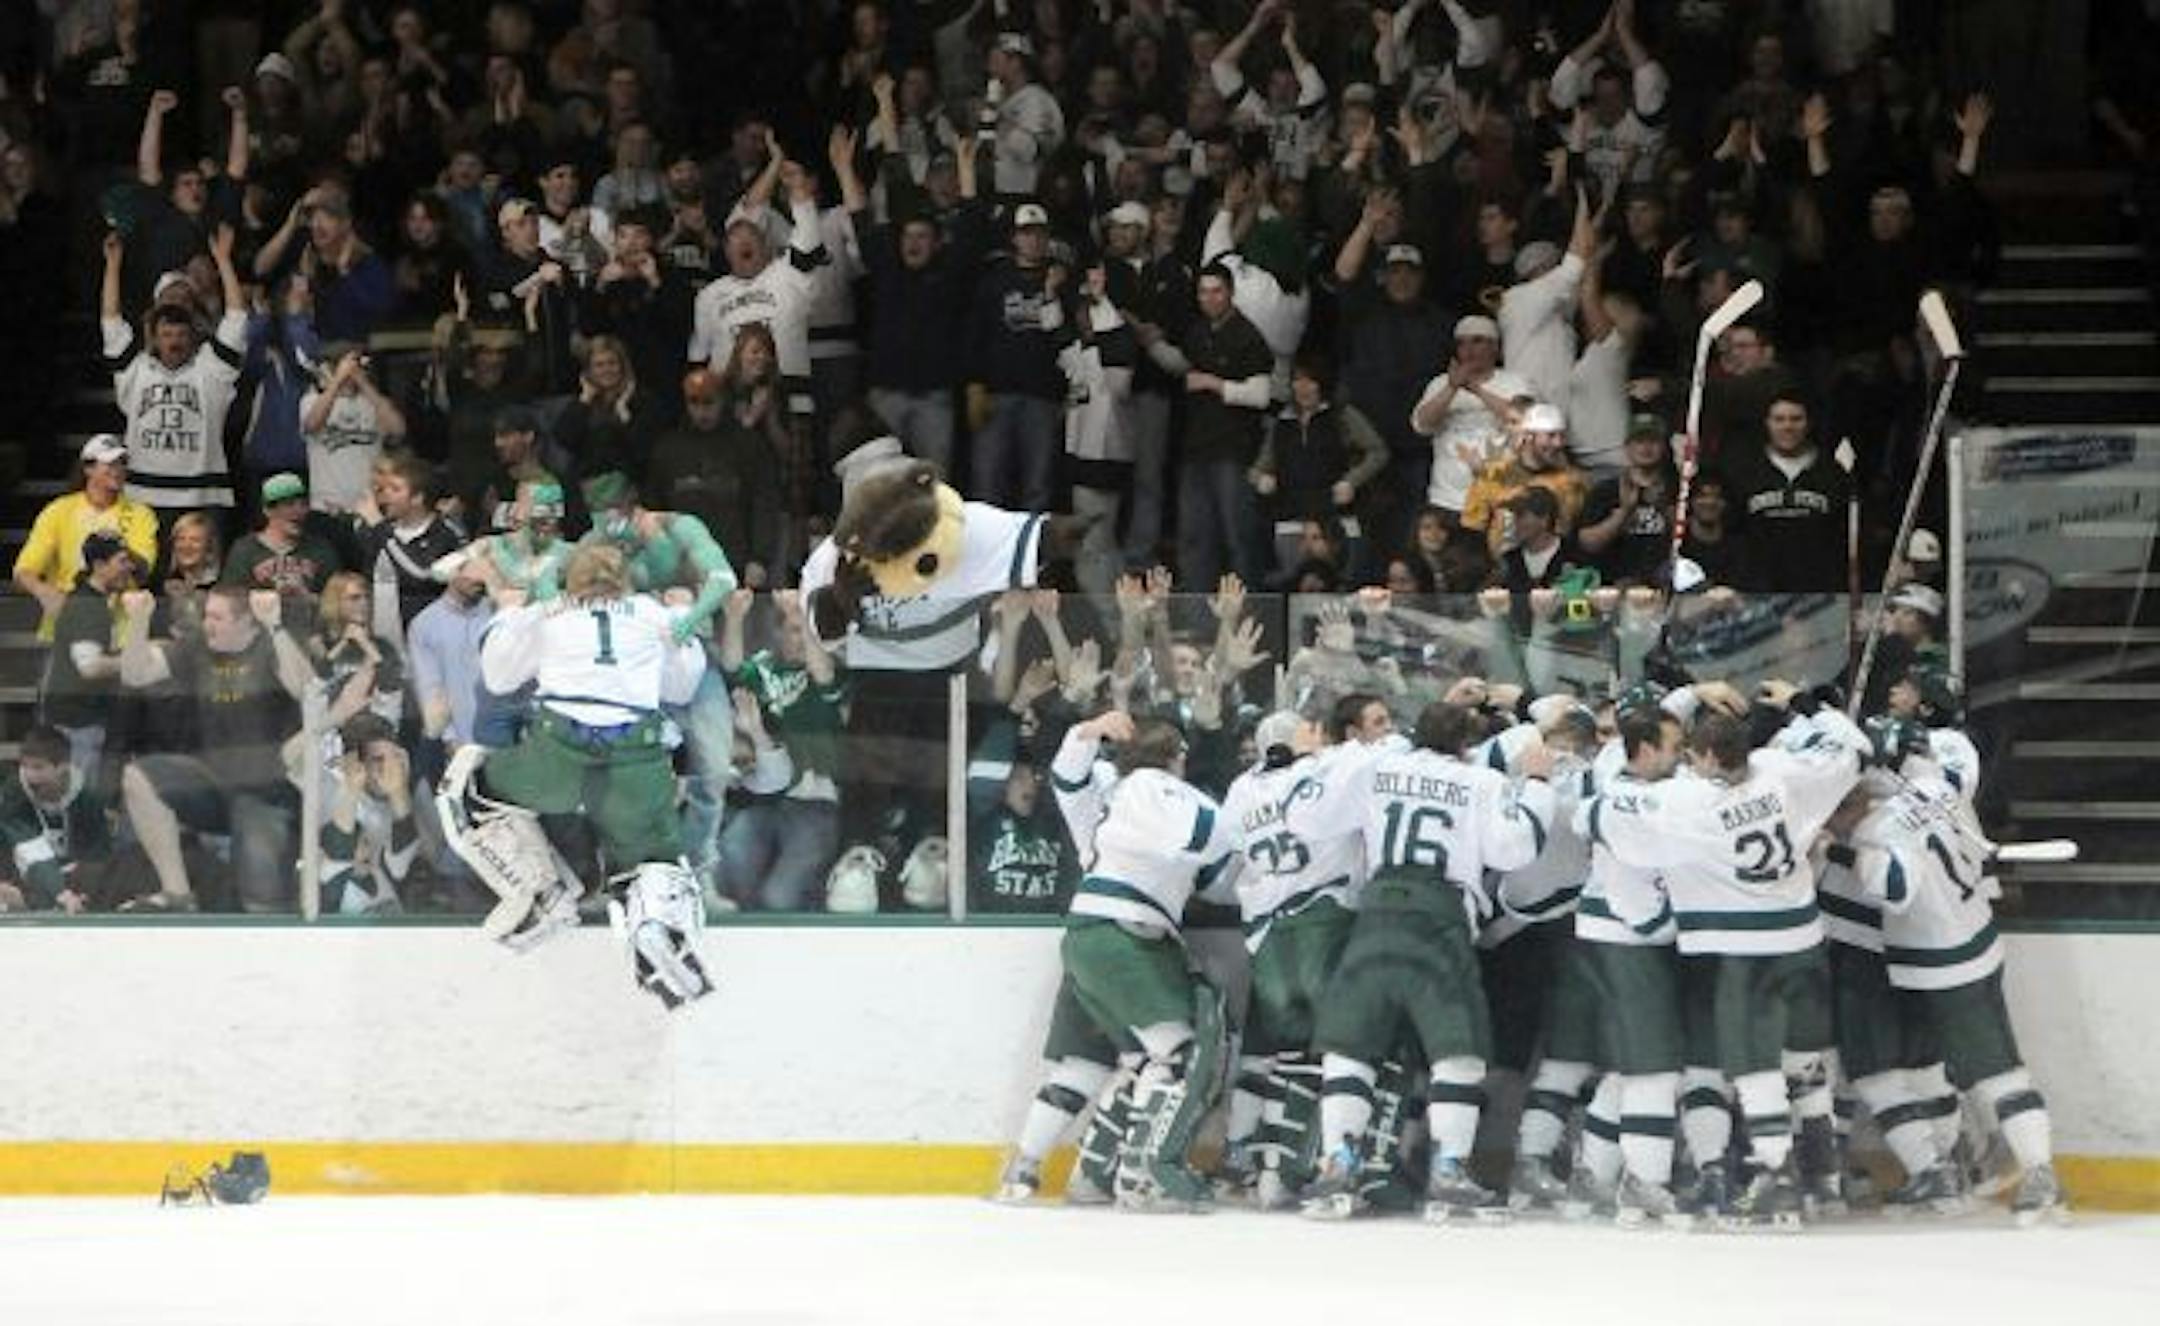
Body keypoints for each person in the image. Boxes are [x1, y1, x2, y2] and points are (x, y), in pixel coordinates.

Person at [1583, 696, 1869, 1226]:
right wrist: (1807, 707)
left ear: (1710, 757)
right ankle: (1822, 1171)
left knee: (1751, 1067)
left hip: (1746, 951)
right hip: (1804, 940)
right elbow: (1853, 750)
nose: (1686, 763)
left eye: (1691, 755)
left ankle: (1778, 1175)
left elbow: (1594, 816)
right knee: (1800, 1061)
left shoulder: (1687, 800)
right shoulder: (1779, 772)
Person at [1304, 701, 1557, 1222]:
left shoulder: (1380, 767)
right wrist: (1537, 785)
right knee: (1457, 1051)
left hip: (1376, 911)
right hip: (1439, 917)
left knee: (1351, 1047)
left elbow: (1315, 819)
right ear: (1465, 744)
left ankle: (1337, 1162)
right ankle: (1449, 1170)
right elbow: (1513, 850)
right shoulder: (1479, 781)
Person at [438, 542, 712, 1008]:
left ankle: (541, 894)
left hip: (557, 755)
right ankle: (655, 921)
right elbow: (683, 687)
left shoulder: (550, 612)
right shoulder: (652, 614)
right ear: (626, 581)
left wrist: (508, 612)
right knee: (650, 858)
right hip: (636, 757)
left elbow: (498, 678)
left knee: (470, 787)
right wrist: (683, 616)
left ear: (570, 581)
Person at [994, 710, 1239, 1212]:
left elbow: (1067, 773)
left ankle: (1028, 1170)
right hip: (1129, 936)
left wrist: (1087, 730)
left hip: (1084, 934)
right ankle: (1143, 1174)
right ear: (1178, 757)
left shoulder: (1105, 787)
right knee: (1177, 1055)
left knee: (1087, 1062)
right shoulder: (1180, 796)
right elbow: (1220, 875)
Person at [1829, 722, 2068, 1224]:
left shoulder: (1880, 828)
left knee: (1995, 1069)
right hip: (1978, 937)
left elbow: (1897, 889)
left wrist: (1839, 848)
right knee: (1941, 1066)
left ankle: (2040, 1173)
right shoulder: (1939, 787)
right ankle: (1957, 1167)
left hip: (1942, 961)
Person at [1218, 707, 1401, 1208]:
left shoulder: (1241, 789)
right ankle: (1333, 1167)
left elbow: (1229, 850)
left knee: (1292, 1056)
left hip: (1267, 939)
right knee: (1346, 1049)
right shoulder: (1324, 769)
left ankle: (1272, 1175)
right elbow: (1380, 758)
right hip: (1323, 921)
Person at [116, 587, 313, 913]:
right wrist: (138, 621)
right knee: (139, 777)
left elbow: (308, 691)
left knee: (262, 904)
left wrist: (275, 625)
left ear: (246, 621)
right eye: (206, 615)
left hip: (270, 792)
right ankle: (178, 894)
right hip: (214, 783)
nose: (207, 624)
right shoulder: (197, 647)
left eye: (217, 617)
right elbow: (135, 675)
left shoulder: (270, 645)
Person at [101, 224, 246, 521]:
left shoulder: (211, 370)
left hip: (202, 497)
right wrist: (113, 266)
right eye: (166, 335)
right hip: (142, 497)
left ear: (192, 336)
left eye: (180, 335)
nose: (174, 342)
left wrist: (223, 262)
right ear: (154, 337)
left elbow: (237, 318)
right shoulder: (135, 369)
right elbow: (111, 319)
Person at [1145, 262, 1275, 589]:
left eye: (1217, 291)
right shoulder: (1197, 331)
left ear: (1230, 293)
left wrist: (1214, 384)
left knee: (1238, 537)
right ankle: (1198, 614)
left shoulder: (1248, 336)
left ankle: (1247, 611)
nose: (1210, 298)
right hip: (1196, 449)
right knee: (1195, 537)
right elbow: (1182, 366)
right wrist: (1151, 344)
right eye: (1203, 292)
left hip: (1233, 450)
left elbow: (1261, 395)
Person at [715, 587, 845, 913]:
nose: (801, 639)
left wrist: (802, 615)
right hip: (765, 799)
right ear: (777, 633)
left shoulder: (825, 666)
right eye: (794, 630)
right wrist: (734, 619)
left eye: (806, 631)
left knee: (780, 898)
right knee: (733, 866)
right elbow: (732, 668)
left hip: (815, 803)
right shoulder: (764, 667)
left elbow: (825, 674)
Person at [965, 202, 1072, 512]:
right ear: (1014, 237)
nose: (1033, 240)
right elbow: (976, 335)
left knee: (1039, 484)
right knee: (987, 482)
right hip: (997, 394)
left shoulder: (1063, 281)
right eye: (1026, 233)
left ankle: (1032, 543)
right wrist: (974, 383)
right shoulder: (993, 281)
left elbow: (1067, 339)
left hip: (1044, 396)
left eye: (1040, 233)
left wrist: (1054, 293)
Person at [13, 435, 159, 637]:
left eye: (122, 463)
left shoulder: (141, 514)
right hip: (66, 621)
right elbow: (23, 572)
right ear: (88, 469)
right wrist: (44, 592)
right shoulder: (59, 511)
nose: (118, 470)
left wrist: (114, 548)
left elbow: (143, 571)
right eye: (110, 464)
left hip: (119, 628)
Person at [1410, 315, 1530, 529]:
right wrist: (1452, 388)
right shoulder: (1440, 384)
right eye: (1462, 343)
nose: (1469, 349)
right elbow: (1421, 425)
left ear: (1495, 347)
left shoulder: (1515, 382)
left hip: (1503, 495)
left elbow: (1527, 421)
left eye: (1477, 341)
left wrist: (1476, 389)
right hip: (1448, 499)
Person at [39, 531, 136, 778]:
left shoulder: (90, 601)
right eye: (122, 561)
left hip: (76, 719)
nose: (130, 567)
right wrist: (133, 660)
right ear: (100, 566)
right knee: (79, 791)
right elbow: (90, 666)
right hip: (76, 722)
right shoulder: (88, 606)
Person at [0, 726, 120, 914]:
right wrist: (60, 891)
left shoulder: (88, 800)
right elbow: (27, 848)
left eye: (38, 767)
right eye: (24, 766)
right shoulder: (14, 794)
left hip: (75, 884)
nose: (30, 775)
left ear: (63, 767)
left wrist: (77, 887)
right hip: (27, 878)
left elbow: (99, 854)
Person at [319, 712, 419, 916]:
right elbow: (338, 856)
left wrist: (399, 792)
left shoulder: (400, 791)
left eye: (394, 757)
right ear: (356, 764)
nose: (389, 768)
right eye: (378, 760)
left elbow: (403, 865)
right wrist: (352, 788)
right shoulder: (332, 791)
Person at [301, 346, 409, 515]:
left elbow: (398, 430)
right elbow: (311, 424)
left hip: (370, 502)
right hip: (329, 503)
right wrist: (337, 380)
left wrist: (363, 382)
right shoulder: (312, 400)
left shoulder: (374, 403)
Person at [1575, 415, 1679, 585]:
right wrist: (1624, 512)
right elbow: (1588, 543)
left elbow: (1692, 542)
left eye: (1653, 441)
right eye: (1639, 441)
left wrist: (1664, 507)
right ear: (1627, 448)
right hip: (1615, 586)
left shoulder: (1678, 489)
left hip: (1666, 585)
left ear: (1664, 447)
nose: (1646, 448)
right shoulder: (1605, 491)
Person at [223, 473, 344, 601]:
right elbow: (228, 599)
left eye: (303, 504)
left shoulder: (321, 549)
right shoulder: (245, 550)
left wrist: (305, 595)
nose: (299, 511)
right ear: (268, 510)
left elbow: (338, 602)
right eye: (289, 504)